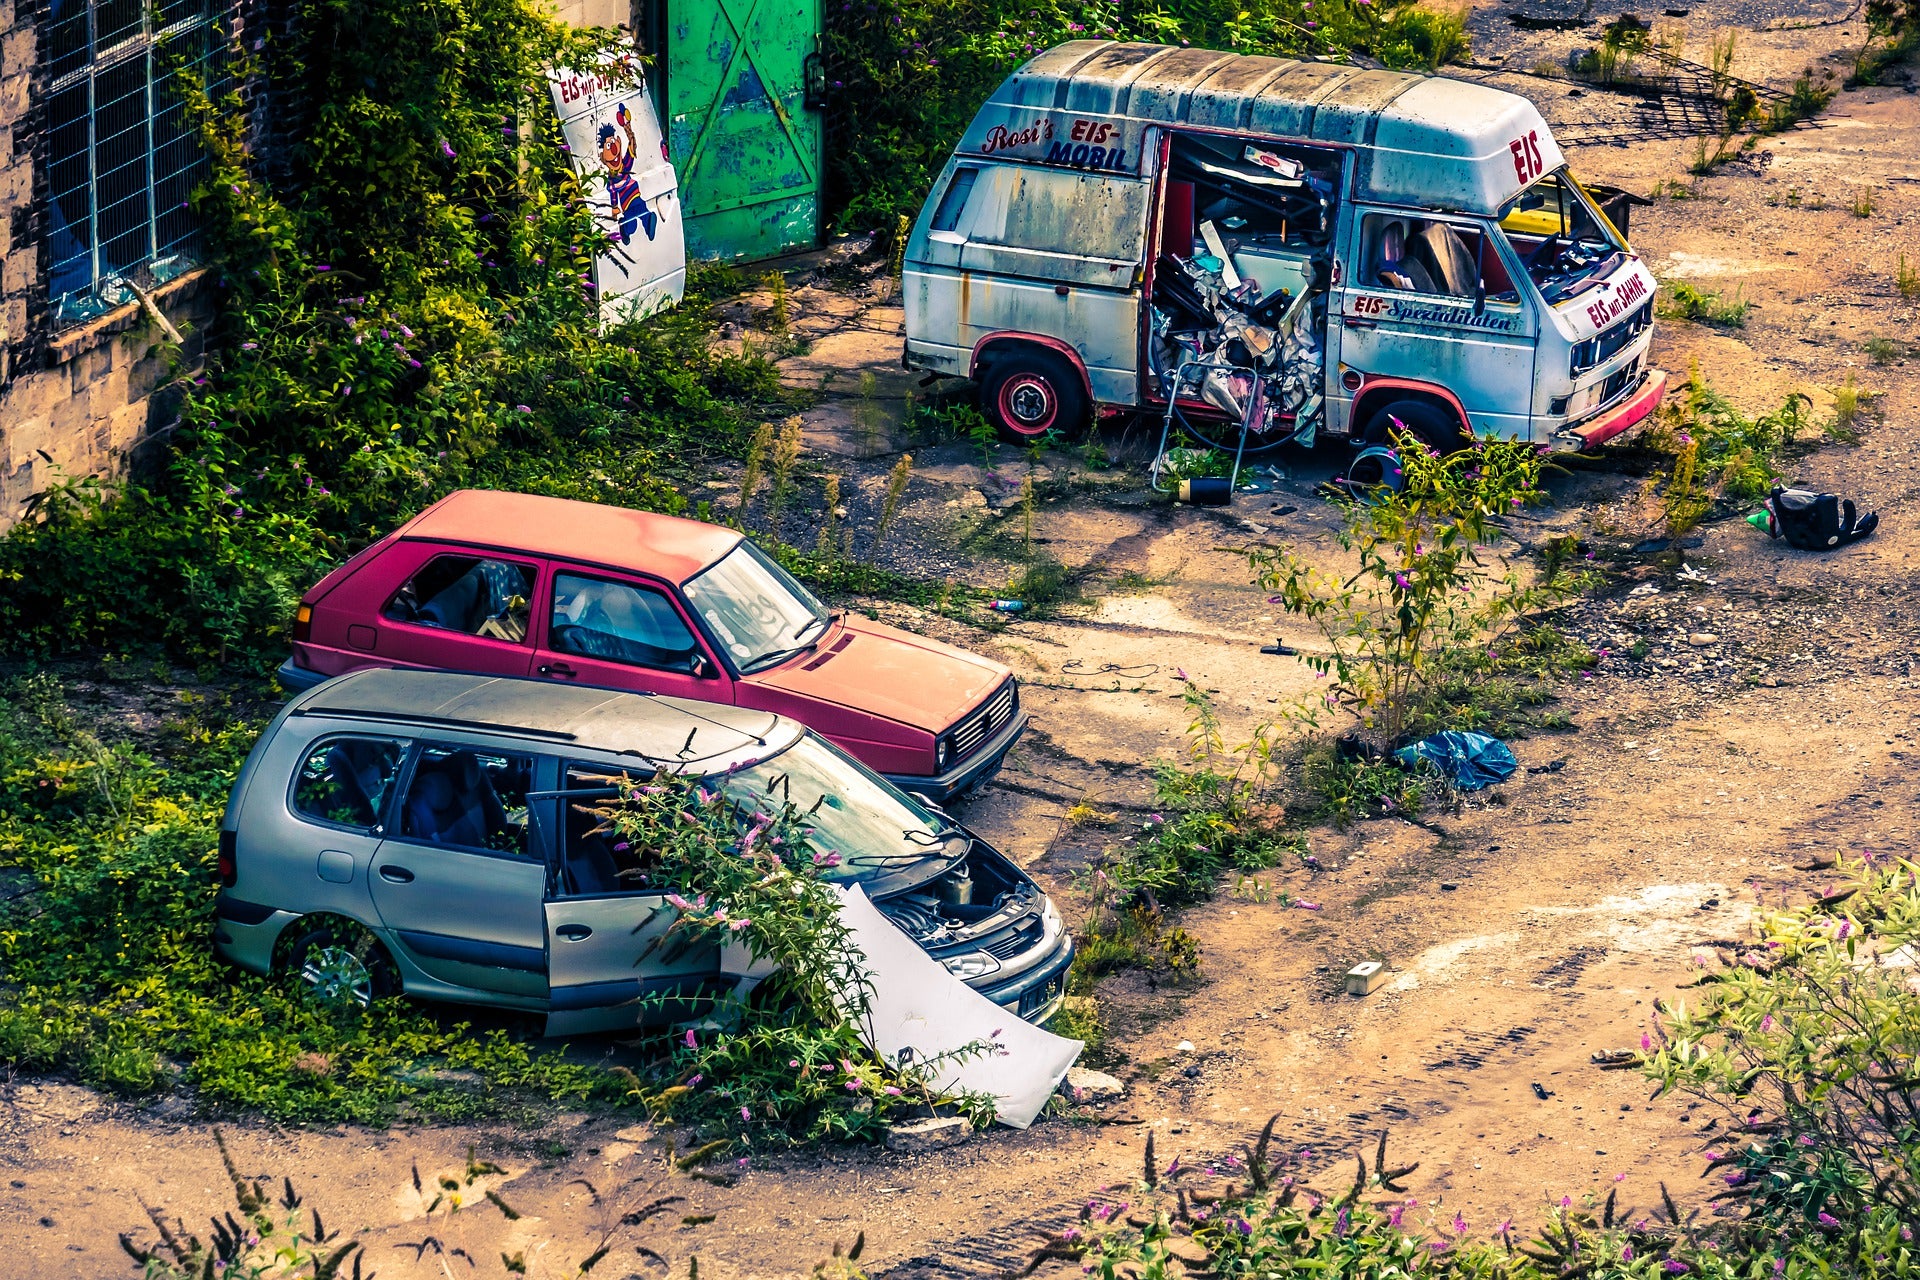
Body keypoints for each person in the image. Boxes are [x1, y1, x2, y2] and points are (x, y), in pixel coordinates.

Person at [599, 103, 659, 245]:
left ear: (618, 142)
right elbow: (613, 193)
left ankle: (648, 222)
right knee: (632, 225)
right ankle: (625, 228)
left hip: (636, 195)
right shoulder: (612, 179)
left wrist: (629, 130)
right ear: (602, 157)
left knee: (643, 210)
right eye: (608, 146)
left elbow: (631, 149)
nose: (613, 148)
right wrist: (614, 208)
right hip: (626, 204)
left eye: (613, 143)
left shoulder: (625, 165)